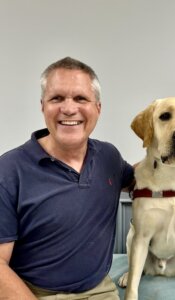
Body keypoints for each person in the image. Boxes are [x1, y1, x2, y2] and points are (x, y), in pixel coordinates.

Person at [0, 57, 134, 300]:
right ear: (43, 106)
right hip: (34, 293)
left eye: (81, 98)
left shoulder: (109, 157)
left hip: (100, 291)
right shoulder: (9, 170)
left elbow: (141, 180)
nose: (69, 109)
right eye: (57, 98)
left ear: (98, 108)